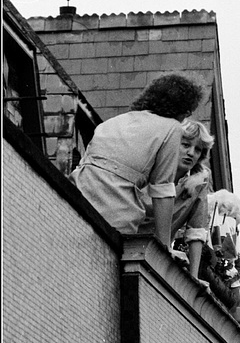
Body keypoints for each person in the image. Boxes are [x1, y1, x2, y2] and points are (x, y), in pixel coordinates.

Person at [69, 73, 204, 247]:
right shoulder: (172, 128)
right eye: (188, 112)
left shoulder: (115, 121)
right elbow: (162, 190)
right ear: (183, 109)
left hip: (76, 200)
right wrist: (163, 249)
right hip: (115, 213)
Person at [139, 119, 214, 278]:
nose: (191, 153)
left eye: (198, 150)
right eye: (186, 145)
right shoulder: (150, 167)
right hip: (130, 242)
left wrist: (193, 279)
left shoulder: (199, 182)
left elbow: (196, 230)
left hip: (161, 254)